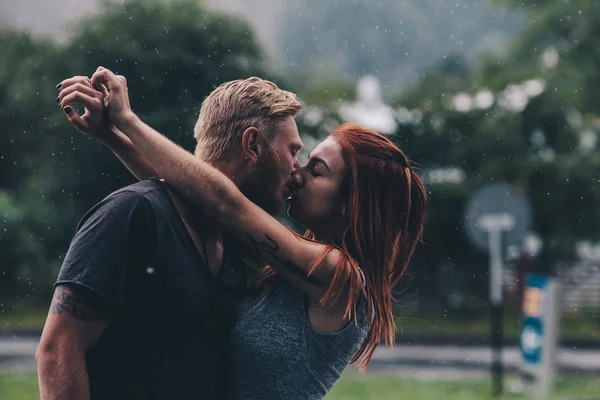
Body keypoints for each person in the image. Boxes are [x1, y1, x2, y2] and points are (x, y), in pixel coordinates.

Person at [57, 66, 428, 400]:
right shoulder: (292, 263)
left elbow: (224, 202)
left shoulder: (340, 279)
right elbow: (197, 196)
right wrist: (112, 135)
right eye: (300, 158)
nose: (297, 173)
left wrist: (128, 121)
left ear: (351, 203)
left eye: (316, 171)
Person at [36, 75, 303, 399]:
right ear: (252, 145)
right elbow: (57, 351)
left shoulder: (234, 247)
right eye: (292, 151)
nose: (297, 168)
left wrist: (113, 135)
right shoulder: (134, 213)